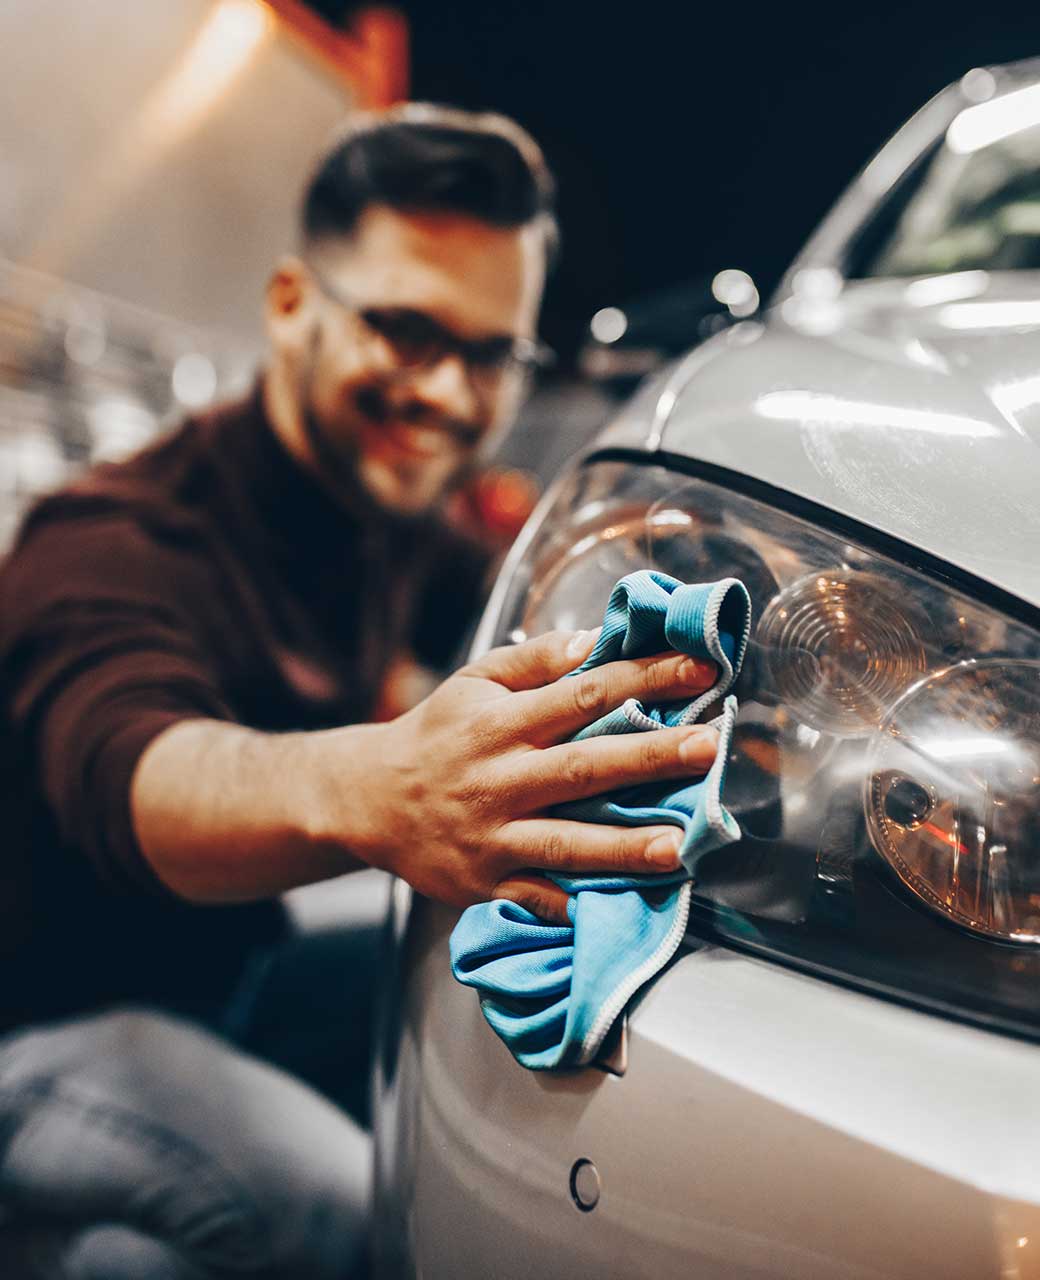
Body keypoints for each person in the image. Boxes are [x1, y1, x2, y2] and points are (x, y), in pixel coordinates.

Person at [0, 104, 720, 1279]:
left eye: (488, 352)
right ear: (292, 306)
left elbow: (539, 638)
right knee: (353, 1211)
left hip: (229, 974)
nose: (445, 390)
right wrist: (380, 786)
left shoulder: (384, 521)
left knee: (494, 1039)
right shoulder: (112, 540)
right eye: (402, 330)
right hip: (47, 1024)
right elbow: (138, 776)